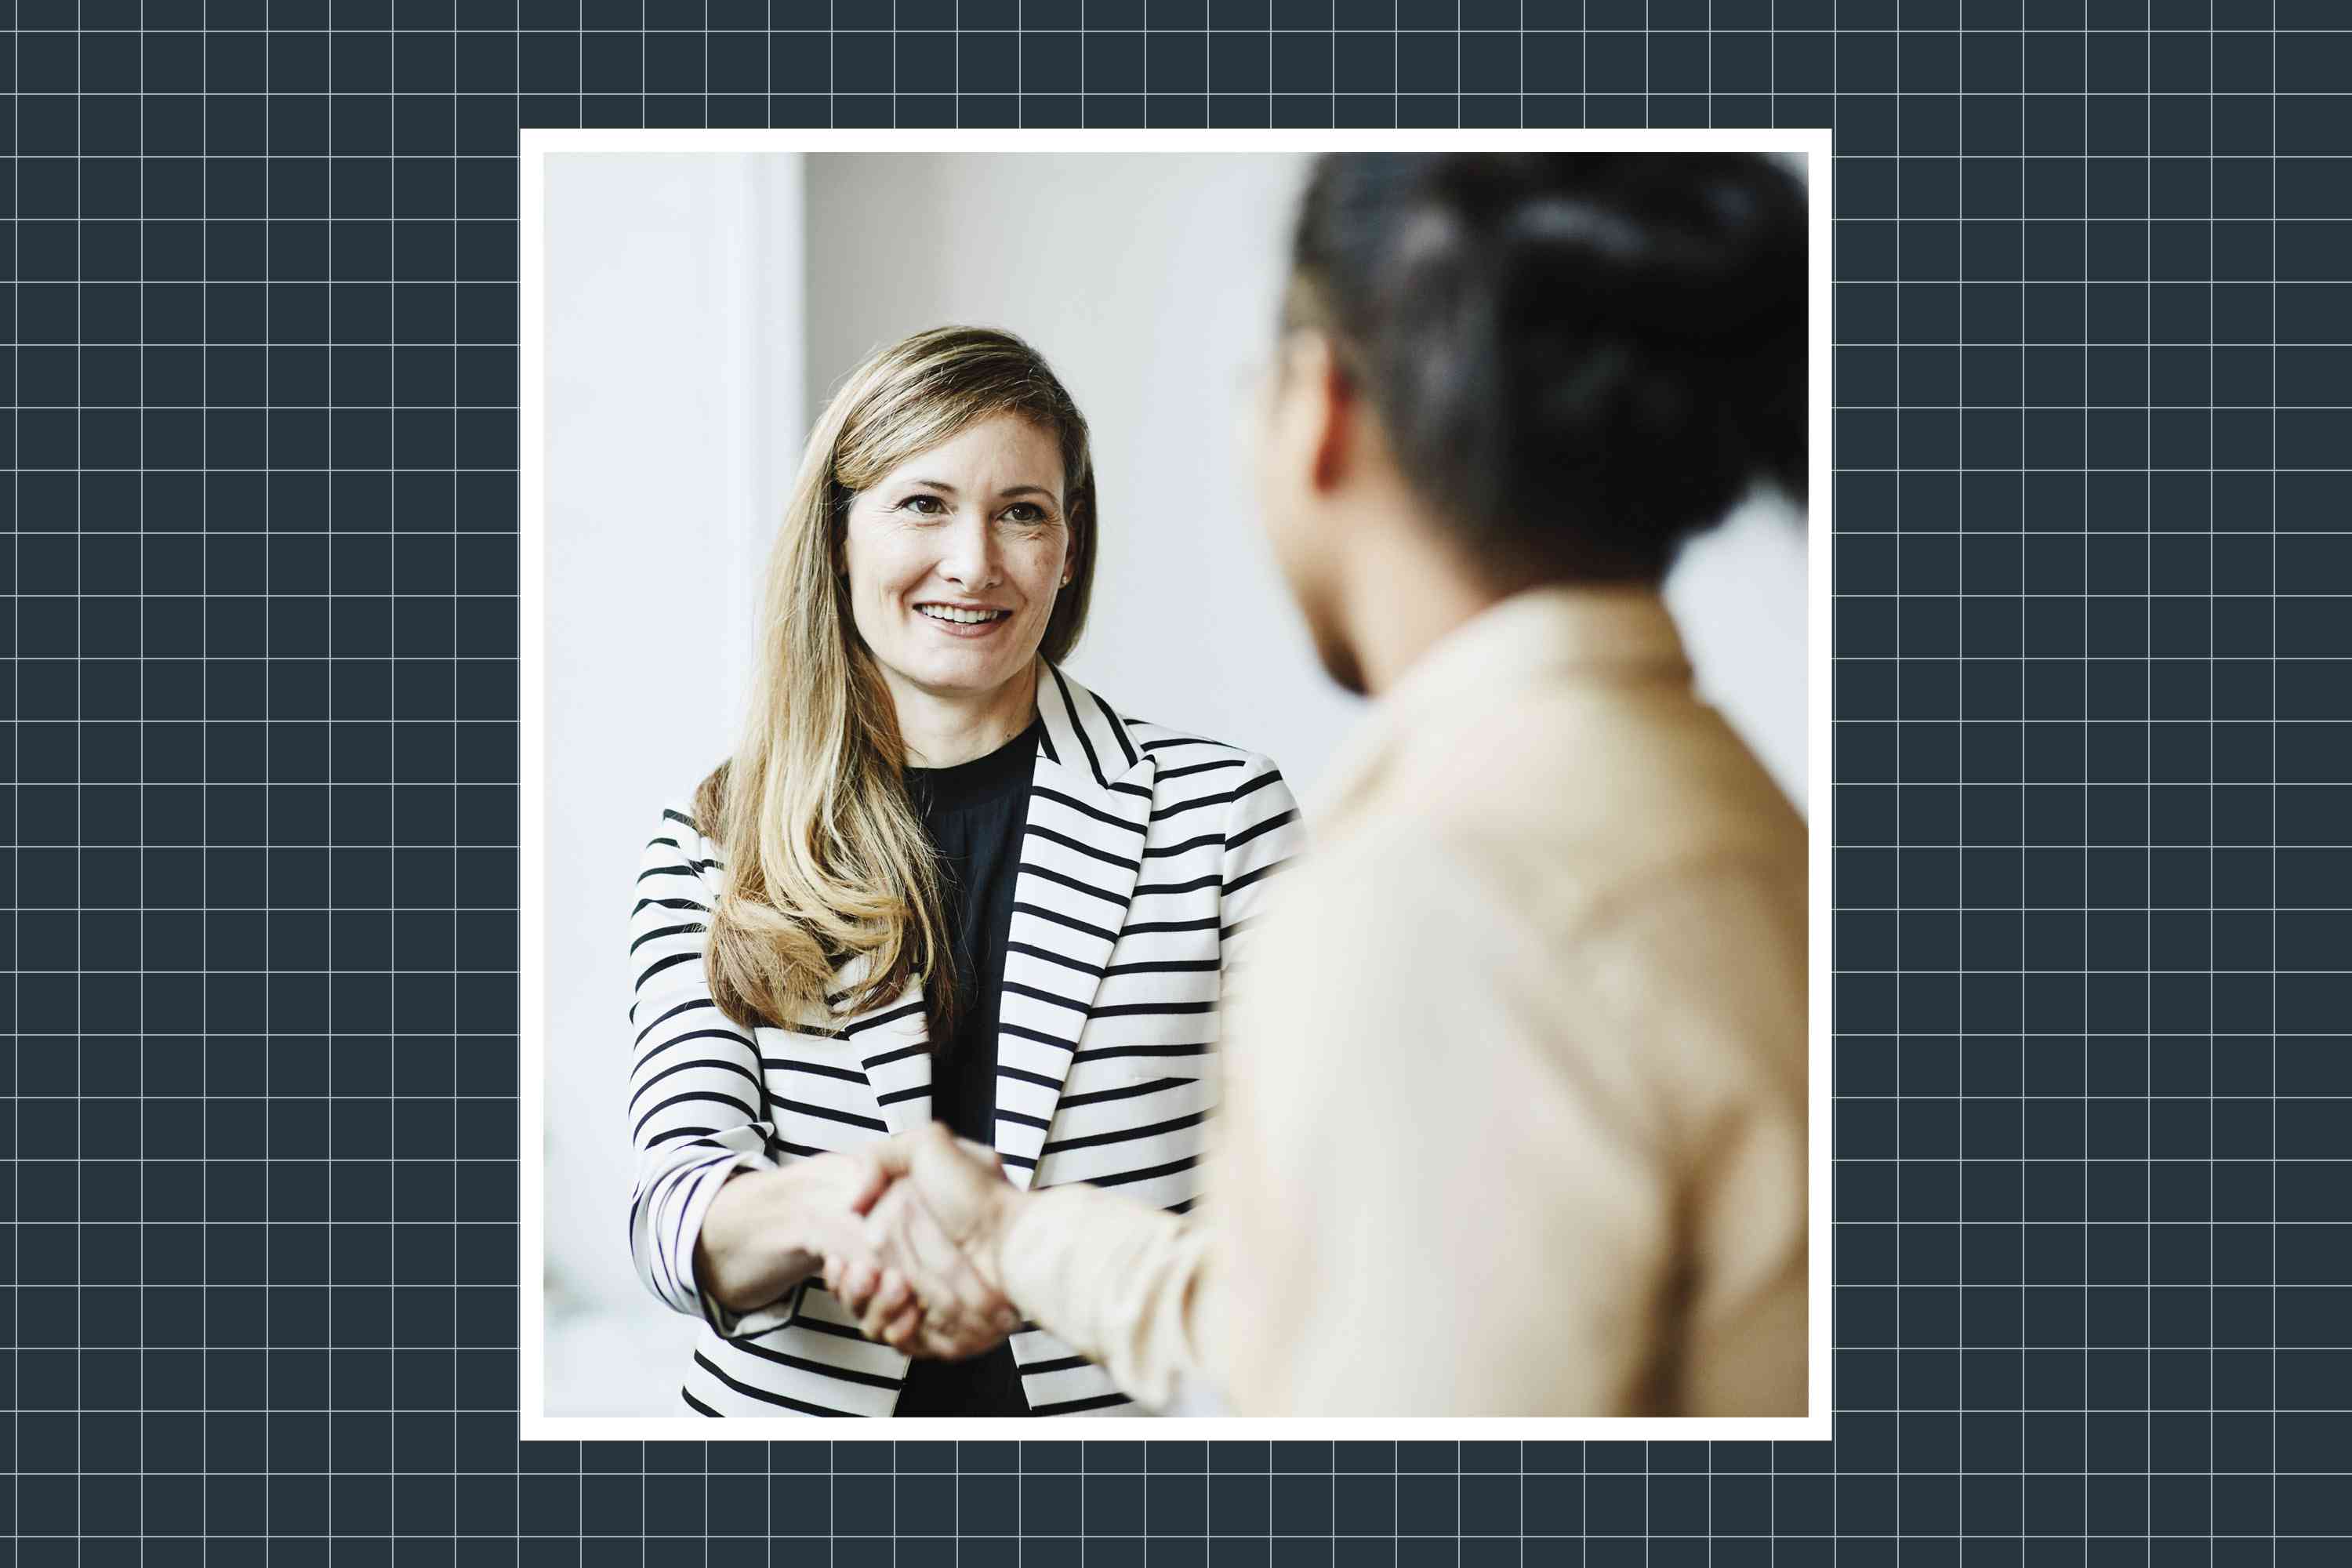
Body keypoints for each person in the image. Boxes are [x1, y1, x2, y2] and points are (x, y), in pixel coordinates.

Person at [842, 152, 1813, 1416]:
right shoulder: (1738, 815)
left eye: (1024, 510)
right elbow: (1322, 1321)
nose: (975, 558)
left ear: (1320, 407)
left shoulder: (1437, 895)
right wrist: (1024, 1238)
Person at [626, 326, 1303, 1417]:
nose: (973, 563)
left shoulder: (1222, 819)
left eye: (1021, 513)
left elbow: (1305, 1198)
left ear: (1069, 548)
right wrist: (841, 1208)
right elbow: (673, 1210)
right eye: (924, 505)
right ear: (839, 535)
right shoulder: (716, 834)